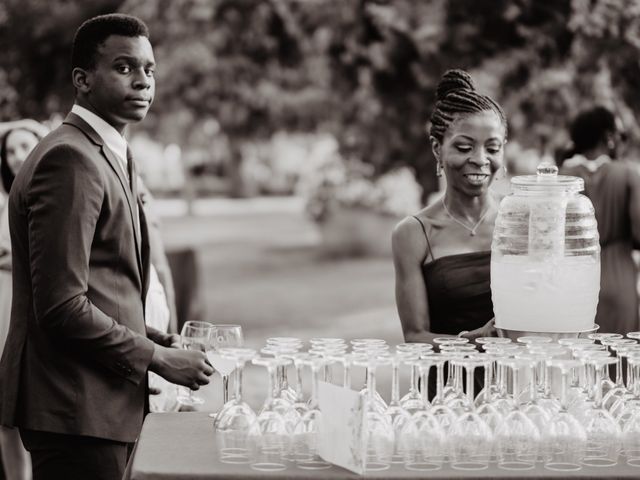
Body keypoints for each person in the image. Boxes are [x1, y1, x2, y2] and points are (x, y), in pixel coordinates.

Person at [0, 14, 213, 480]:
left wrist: (153, 336)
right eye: (124, 67)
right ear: (83, 79)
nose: (143, 81)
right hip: (75, 407)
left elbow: (104, 282)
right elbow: (61, 305)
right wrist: (157, 359)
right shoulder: (69, 158)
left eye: (150, 70)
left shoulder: (111, 151)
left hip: (102, 402)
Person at [392, 69, 506, 346]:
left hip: (515, 382)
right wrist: (472, 339)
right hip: (447, 383)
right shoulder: (414, 233)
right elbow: (415, 335)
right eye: (465, 147)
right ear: (437, 149)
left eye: (492, 148)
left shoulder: (520, 220)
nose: (480, 160)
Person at [560, 106, 640, 334]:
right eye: (622, 136)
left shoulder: (562, 175)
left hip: (573, 282)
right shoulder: (628, 174)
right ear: (609, 138)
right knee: (621, 364)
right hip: (619, 281)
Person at [0, 125, 44, 480]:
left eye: (24, 146)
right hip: (1, 308)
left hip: (32, 310)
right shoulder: (3, 199)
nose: (15, 156)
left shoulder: (48, 193)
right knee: (4, 416)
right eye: (9, 150)